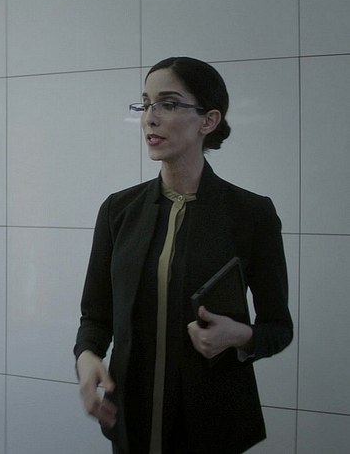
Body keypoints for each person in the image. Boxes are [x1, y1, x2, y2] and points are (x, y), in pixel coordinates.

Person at [74, 56, 294, 454]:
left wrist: (239, 336)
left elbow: (278, 328)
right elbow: (95, 315)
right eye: (146, 104)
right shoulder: (118, 210)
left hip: (212, 425)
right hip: (130, 419)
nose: (150, 118)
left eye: (169, 104)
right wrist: (87, 357)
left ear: (208, 120)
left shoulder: (251, 214)